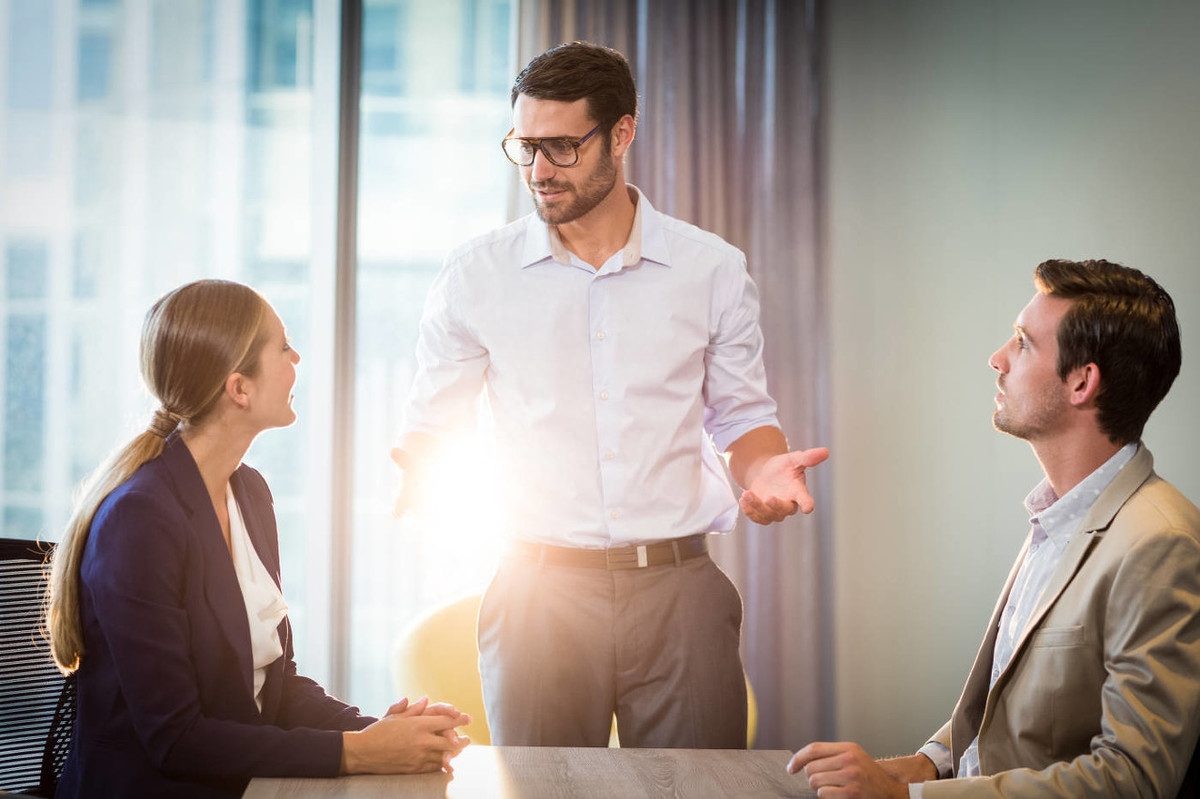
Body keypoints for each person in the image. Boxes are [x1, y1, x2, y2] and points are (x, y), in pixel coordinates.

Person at [391, 40, 828, 749]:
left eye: (562, 147)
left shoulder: (710, 269)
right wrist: (419, 464)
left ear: (622, 133)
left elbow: (744, 415)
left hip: (679, 589)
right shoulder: (476, 275)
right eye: (525, 146)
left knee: (703, 793)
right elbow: (433, 422)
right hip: (537, 590)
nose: (539, 170)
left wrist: (763, 469)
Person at [789, 259, 1200, 798]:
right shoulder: (1062, 515)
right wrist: (927, 764)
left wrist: (906, 798)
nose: (997, 359)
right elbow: (1016, 719)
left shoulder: (1159, 543)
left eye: (1023, 343)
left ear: (1082, 381)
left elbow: (1134, 779)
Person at [46, 280, 469, 798]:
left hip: (237, 783)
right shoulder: (139, 520)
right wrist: (360, 752)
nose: (297, 358)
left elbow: (277, 687)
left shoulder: (248, 491)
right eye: (283, 347)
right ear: (239, 388)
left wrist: (379, 730)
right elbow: (176, 740)